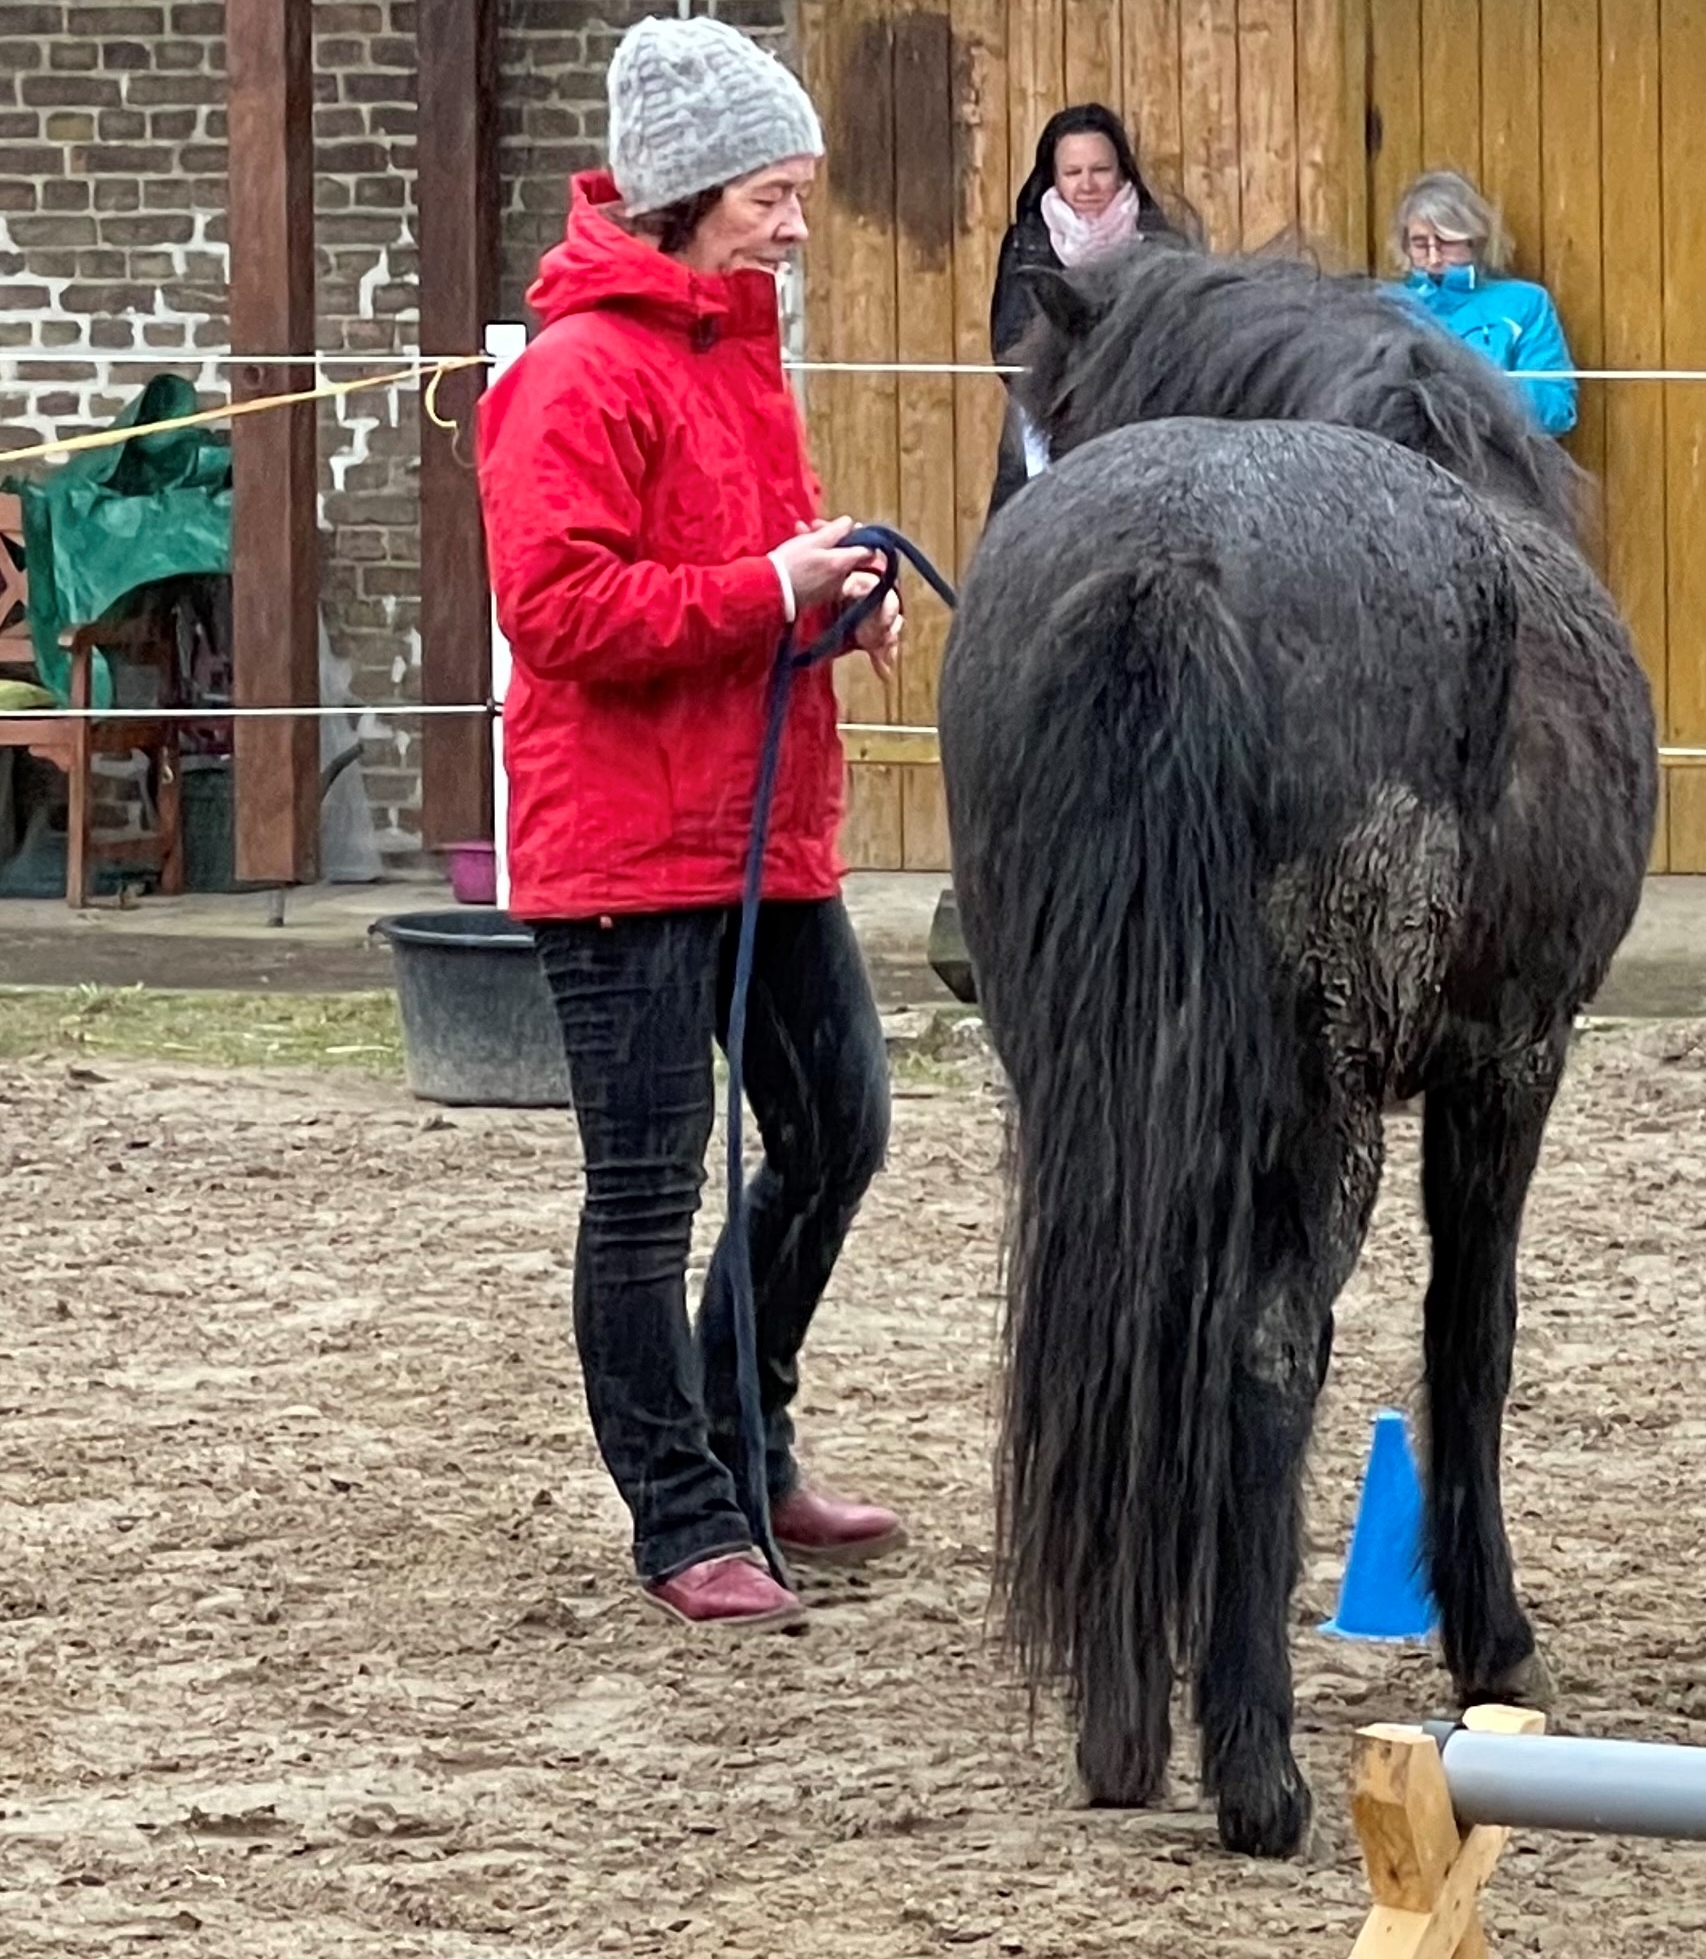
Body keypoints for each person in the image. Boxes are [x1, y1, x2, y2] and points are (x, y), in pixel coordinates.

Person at [474, 14, 908, 1634]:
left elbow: (743, 565)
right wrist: (760, 593)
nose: (794, 225)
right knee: (646, 1187)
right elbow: (561, 607)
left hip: (762, 827)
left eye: (795, 193)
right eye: (770, 195)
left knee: (840, 1128)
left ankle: (748, 1428)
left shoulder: (735, 350)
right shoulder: (577, 374)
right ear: (684, 192)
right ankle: (681, 1509)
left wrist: (825, 600)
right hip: (625, 850)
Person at [985, 103, 1176, 515]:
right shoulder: (1027, 242)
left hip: (1136, 420)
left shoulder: (1161, 245)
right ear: (1054, 177)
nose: (1087, 184)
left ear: (1122, 171)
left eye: (1100, 170)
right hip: (1045, 417)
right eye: (1073, 173)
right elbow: (1008, 339)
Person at [1386, 168, 1578, 439]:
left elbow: (1555, 406)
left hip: (1496, 459)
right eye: (1420, 244)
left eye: (1445, 242)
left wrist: (1471, 393)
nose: (1433, 257)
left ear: (1474, 241)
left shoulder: (1524, 303)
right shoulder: (1386, 304)